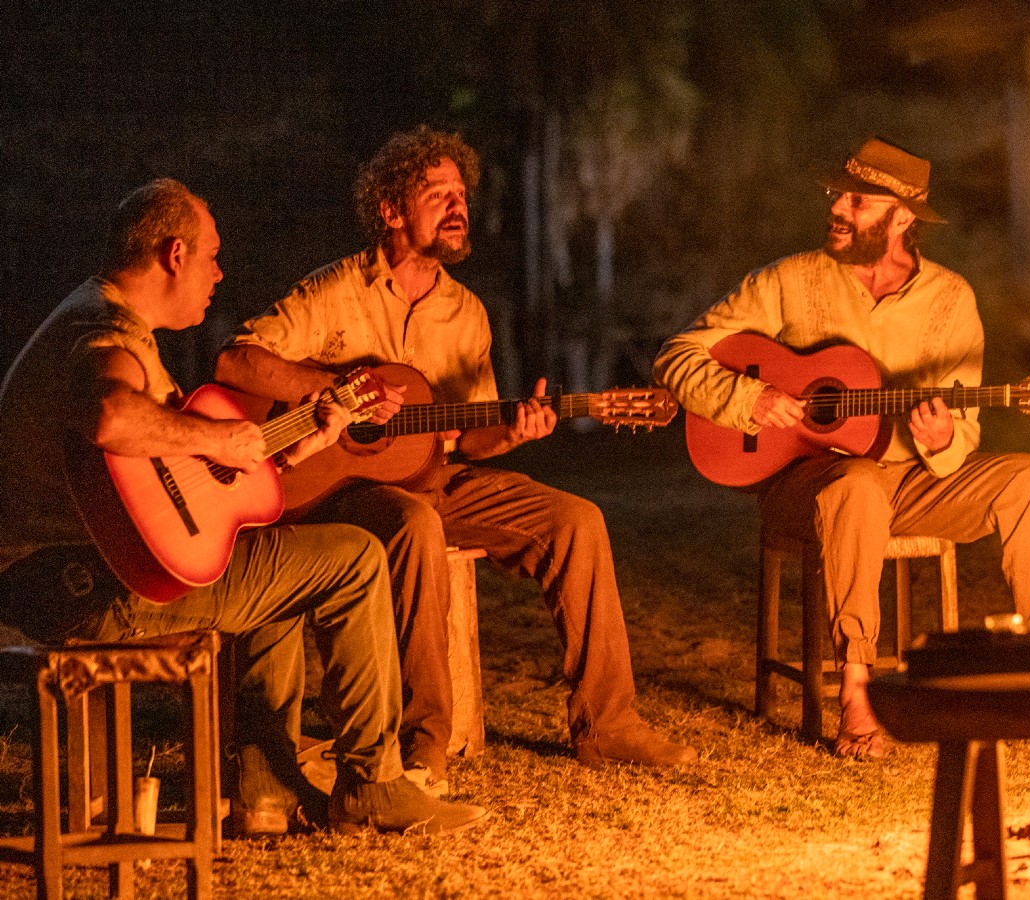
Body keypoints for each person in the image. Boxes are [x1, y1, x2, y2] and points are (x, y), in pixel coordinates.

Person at [0, 179, 486, 836]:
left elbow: (181, 483)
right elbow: (111, 415)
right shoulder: (102, 330)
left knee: (275, 549)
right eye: (211, 256)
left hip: (84, 570)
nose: (219, 273)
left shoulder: (111, 322)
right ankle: (373, 783)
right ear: (174, 254)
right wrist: (219, 436)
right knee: (357, 559)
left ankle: (263, 792)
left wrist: (295, 447)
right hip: (74, 580)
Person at [214, 126, 695, 789]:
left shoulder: (466, 313)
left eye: (460, 193)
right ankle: (424, 744)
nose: (456, 204)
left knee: (576, 521)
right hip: (343, 490)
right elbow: (236, 359)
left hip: (437, 474)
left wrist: (515, 433)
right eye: (436, 192)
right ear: (389, 210)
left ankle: (606, 722)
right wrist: (333, 393)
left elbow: (470, 435)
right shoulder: (335, 291)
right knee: (415, 524)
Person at [654, 137, 1030, 758]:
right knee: (854, 486)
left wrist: (944, 439)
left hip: (909, 482)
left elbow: (965, 434)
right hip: (811, 485)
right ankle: (857, 691)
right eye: (838, 195)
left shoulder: (952, 300)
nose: (839, 208)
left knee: (1029, 475)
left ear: (904, 218)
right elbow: (677, 354)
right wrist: (750, 402)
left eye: (859, 200)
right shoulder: (789, 279)